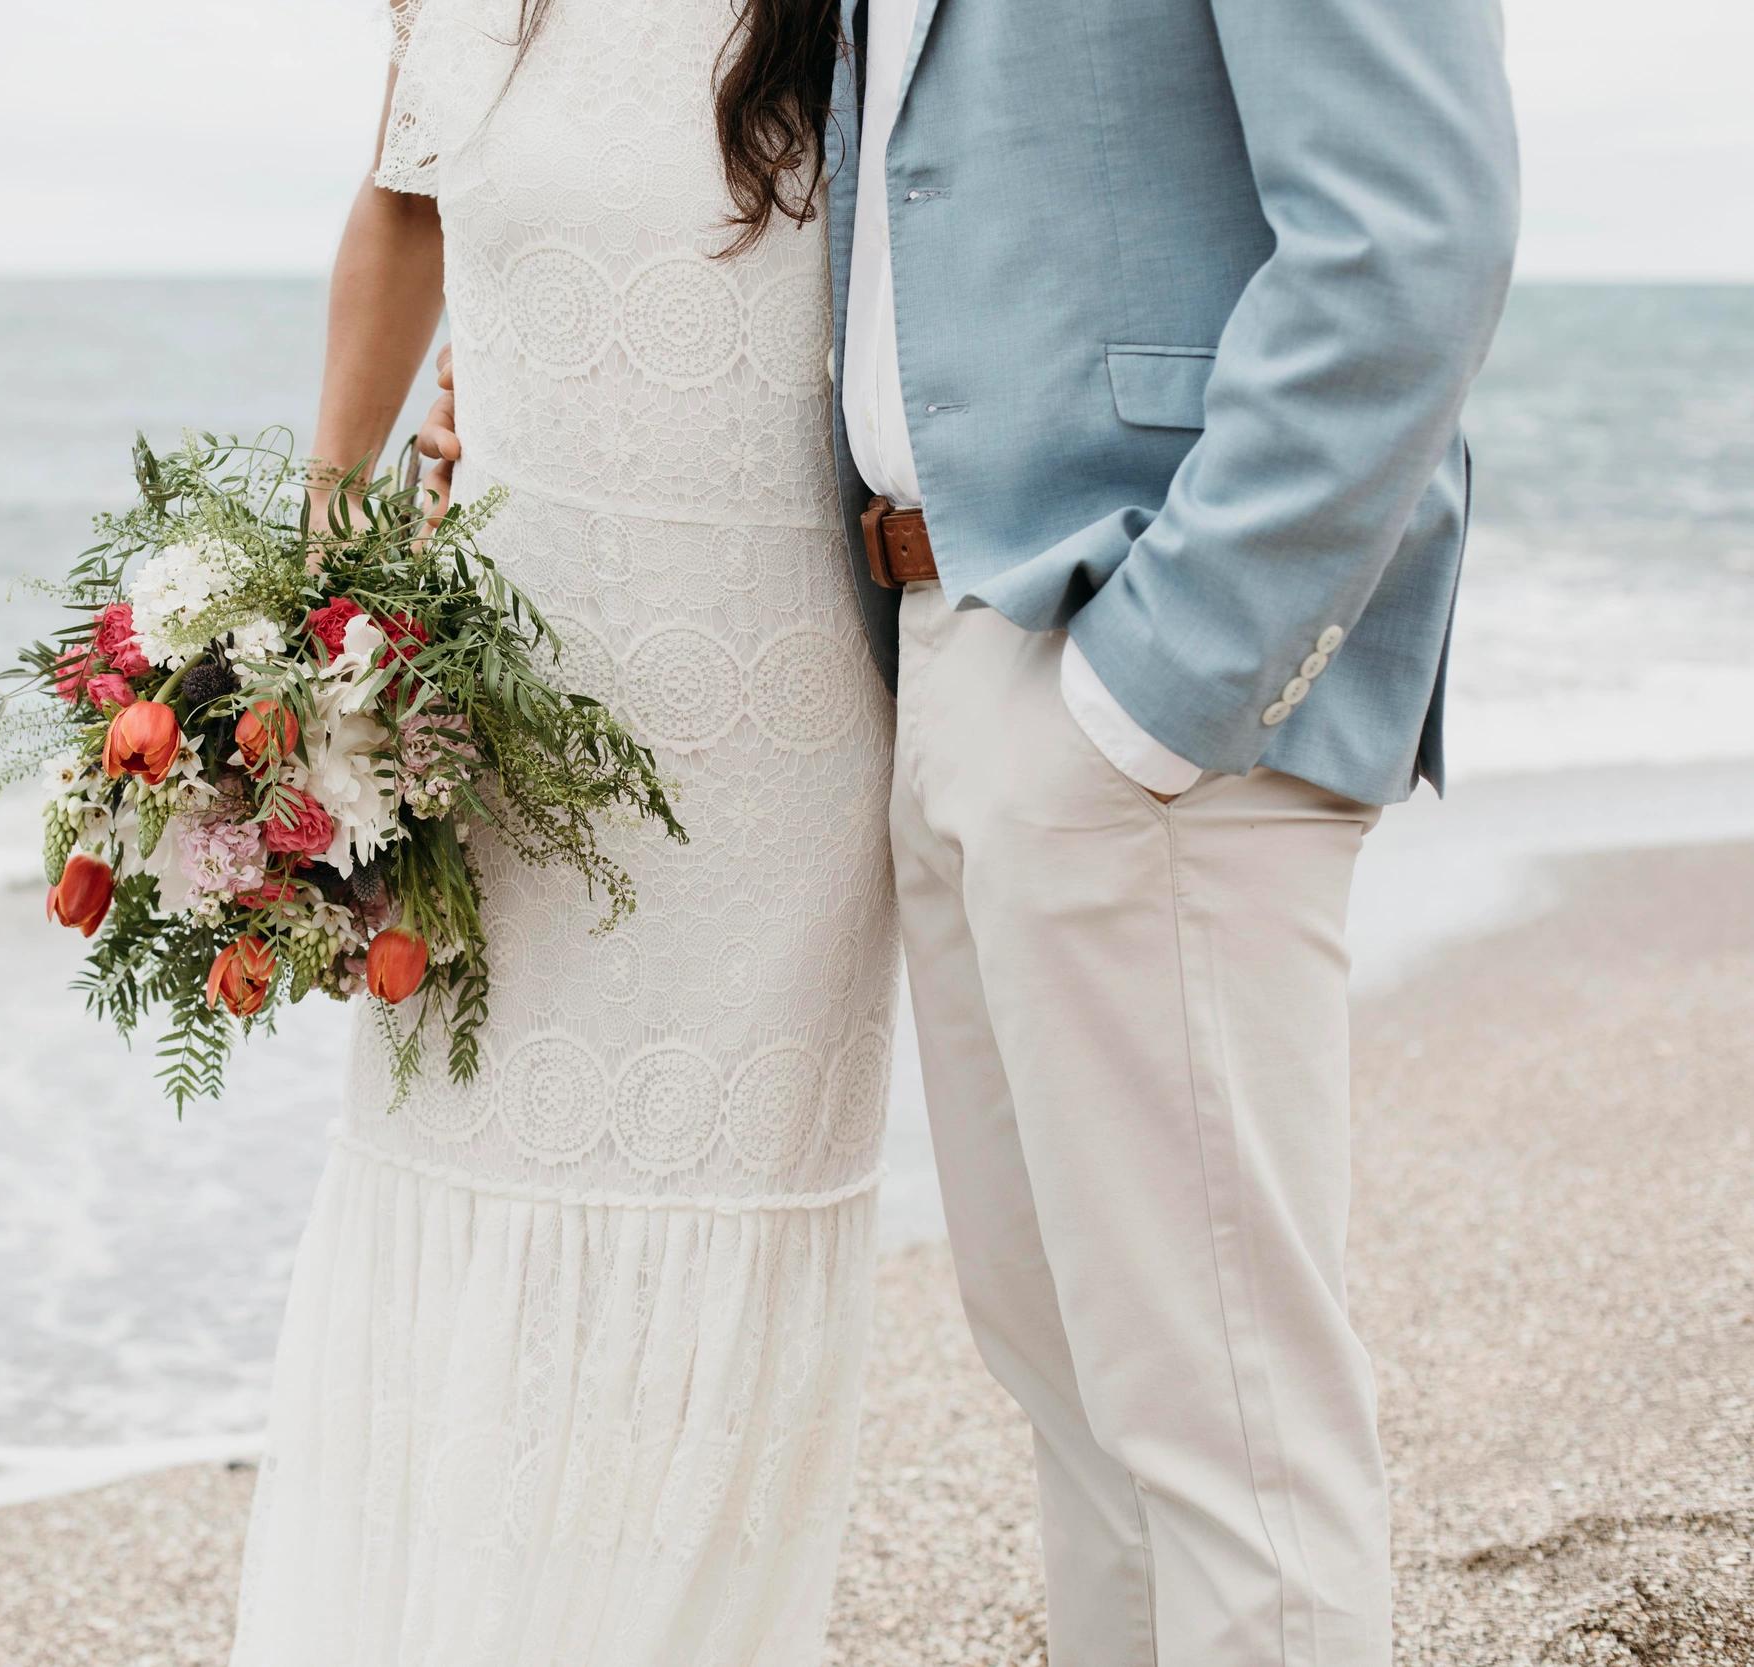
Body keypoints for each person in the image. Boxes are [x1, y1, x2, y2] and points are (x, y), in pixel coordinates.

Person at [413, 0, 1522, 1660]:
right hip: (939, 638)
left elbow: (1416, 236)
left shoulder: (1141, 690)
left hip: (1130, 648)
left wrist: (1158, 690)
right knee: (1075, 1384)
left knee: (1226, 1419)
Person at [229, 0, 898, 1661]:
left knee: (715, 1242)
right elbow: (400, 206)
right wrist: (326, 569)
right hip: (504, 698)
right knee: (463, 1194)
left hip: (781, 728)